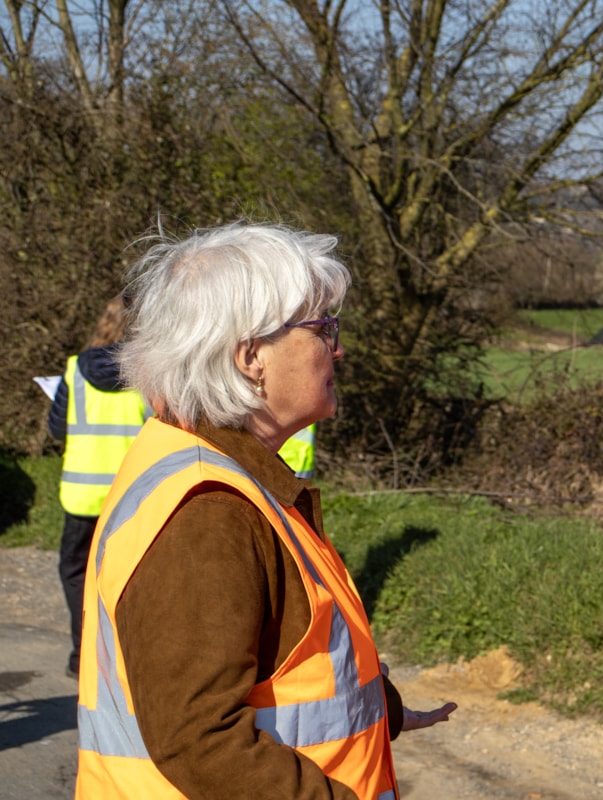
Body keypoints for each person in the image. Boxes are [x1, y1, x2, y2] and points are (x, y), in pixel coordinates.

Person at [75, 222, 456, 799]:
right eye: (323, 328)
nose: (339, 346)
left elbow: (284, 661)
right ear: (251, 356)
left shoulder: (220, 474)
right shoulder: (205, 512)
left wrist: (383, 708)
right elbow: (201, 740)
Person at [47, 294, 150, 680]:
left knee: (75, 572)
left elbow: (57, 428)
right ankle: (125, 656)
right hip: (129, 496)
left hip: (81, 493)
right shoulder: (147, 375)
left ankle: (83, 655)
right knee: (126, 576)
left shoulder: (74, 371)